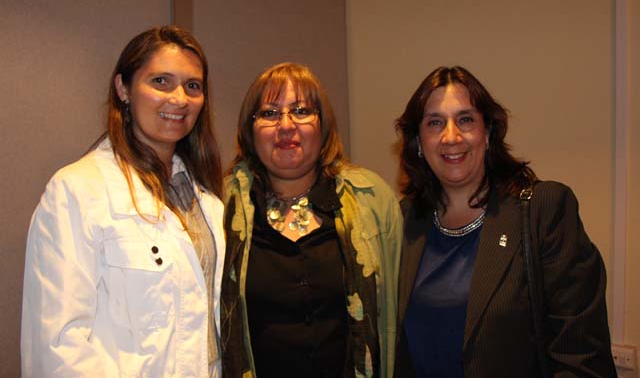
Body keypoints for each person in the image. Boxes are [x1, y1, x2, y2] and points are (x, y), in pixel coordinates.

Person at [21, 26, 225, 378]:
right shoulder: (78, 190)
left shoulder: (207, 202)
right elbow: (58, 349)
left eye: (192, 86)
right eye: (160, 81)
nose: (179, 98)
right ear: (123, 89)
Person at [393, 66, 616, 378]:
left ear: (488, 133)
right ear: (419, 141)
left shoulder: (543, 211)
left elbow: (582, 356)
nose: (451, 136)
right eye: (435, 122)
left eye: (465, 119)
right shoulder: (402, 222)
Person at [220, 62, 402, 378]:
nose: (285, 125)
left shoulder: (372, 200)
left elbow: (395, 316)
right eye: (269, 113)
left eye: (301, 111)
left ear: (323, 125)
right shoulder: (221, 207)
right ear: (250, 130)